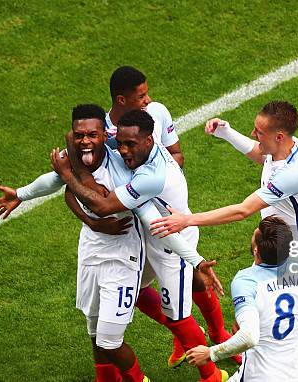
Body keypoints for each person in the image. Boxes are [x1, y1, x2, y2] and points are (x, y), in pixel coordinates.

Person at [0, 105, 222, 382]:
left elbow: (144, 220)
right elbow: (63, 185)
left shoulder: (135, 176)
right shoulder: (94, 151)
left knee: (120, 335)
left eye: (92, 135)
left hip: (136, 252)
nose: (123, 150)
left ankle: (207, 373)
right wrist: (22, 194)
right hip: (91, 251)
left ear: (103, 135)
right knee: (95, 329)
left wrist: (196, 261)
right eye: (80, 136)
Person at [150, 101, 298, 381]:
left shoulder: (292, 175)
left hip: (297, 258)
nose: (254, 134)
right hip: (275, 247)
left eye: (259, 131)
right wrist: (227, 132)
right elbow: (262, 155)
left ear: (279, 136)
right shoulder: (287, 148)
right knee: (260, 326)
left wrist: (187, 220)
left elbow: (242, 210)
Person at [68, 66, 236, 368]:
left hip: (170, 228)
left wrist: (161, 184)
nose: (148, 100)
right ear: (122, 100)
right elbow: (79, 173)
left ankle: (216, 341)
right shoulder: (99, 133)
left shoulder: (155, 116)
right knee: (140, 294)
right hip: (140, 235)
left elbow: (175, 155)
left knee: (185, 297)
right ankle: (191, 335)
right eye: (141, 95)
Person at [185, 216, 298, 382]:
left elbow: (250, 336)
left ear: (256, 250)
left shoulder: (246, 281)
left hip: (259, 376)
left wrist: (210, 353)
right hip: (292, 375)